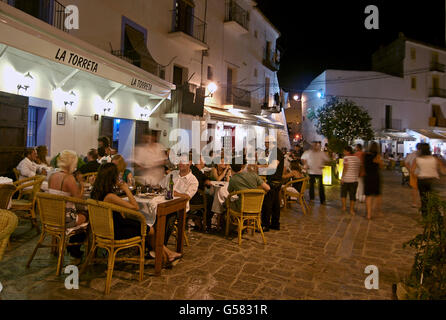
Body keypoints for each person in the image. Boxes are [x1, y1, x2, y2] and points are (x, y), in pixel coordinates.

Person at [91, 163, 182, 265]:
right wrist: (126, 188)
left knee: (145, 227)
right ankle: (166, 254)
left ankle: (167, 254)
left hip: (104, 229)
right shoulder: (110, 196)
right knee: (149, 229)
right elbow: (135, 207)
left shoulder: (95, 193)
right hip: (116, 231)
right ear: (112, 177)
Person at [48, 150, 88, 258]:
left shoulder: (52, 176)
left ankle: (58, 247)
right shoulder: (69, 178)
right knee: (88, 215)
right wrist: (81, 184)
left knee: (81, 211)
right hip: (66, 219)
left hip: (51, 217)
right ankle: (75, 250)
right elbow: (78, 200)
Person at [160, 156, 199, 244]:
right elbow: (161, 186)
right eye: (179, 161)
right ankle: (151, 242)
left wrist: (176, 194)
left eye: (183, 161)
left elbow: (187, 196)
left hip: (180, 207)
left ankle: (162, 245)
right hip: (165, 203)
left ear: (189, 163)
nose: (180, 163)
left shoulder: (193, 180)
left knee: (169, 217)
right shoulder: (172, 174)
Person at [260, 135, 285, 231]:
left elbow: (272, 167)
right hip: (275, 181)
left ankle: (265, 224)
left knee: (267, 203)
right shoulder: (274, 152)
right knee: (275, 204)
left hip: (274, 181)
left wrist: (260, 169)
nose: (265, 144)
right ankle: (275, 223)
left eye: (266, 143)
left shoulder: (276, 152)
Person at [412, 143, 444, 216]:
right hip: (433, 180)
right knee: (434, 197)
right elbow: (443, 170)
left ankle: (425, 215)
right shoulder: (435, 159)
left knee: (423, 198)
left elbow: (412, 170)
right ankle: (436, 213)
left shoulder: (417, 159)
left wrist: (418, 175)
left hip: (422, 180)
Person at [190, 156, 213, 231]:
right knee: (211, 200)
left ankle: (198, 218)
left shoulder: (196, 170)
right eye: (202, 160)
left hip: (193, 195)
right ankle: (204, 221)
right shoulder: (194, 171)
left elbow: (205, 178)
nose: (204, 162)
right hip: (194, 196)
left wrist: (206, 180)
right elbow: (201, 182)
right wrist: (206, 182)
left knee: (209, 197)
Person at [364, 142, 384, 220]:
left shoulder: (366, 155)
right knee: (377, 195)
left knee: (368, 196)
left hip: (367, 177)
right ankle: (377, 211)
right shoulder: (377, 156)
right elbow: (381, 167)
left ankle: (368, 214)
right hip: (375, 177)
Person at [341, 146, 361, 215]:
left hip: (346, 179)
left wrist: (342, 178)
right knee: (352, 195)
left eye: (344, 151)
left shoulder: (346, 158)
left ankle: (344, 207)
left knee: (343, 194)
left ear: (348, 151)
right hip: (354, 179)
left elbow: (345, 168)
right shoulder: (357, 159)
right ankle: (352, 210)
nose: (343, 153)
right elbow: (359, 168)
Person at [405, 143, 422, 208]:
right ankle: (420, 202)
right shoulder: (422, 154)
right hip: (421, 173)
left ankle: (415, 202)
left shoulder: (412, 154)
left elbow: (406, 162)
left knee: (414, 188)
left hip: (414, 173)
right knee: (419, 189)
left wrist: (410, 170)